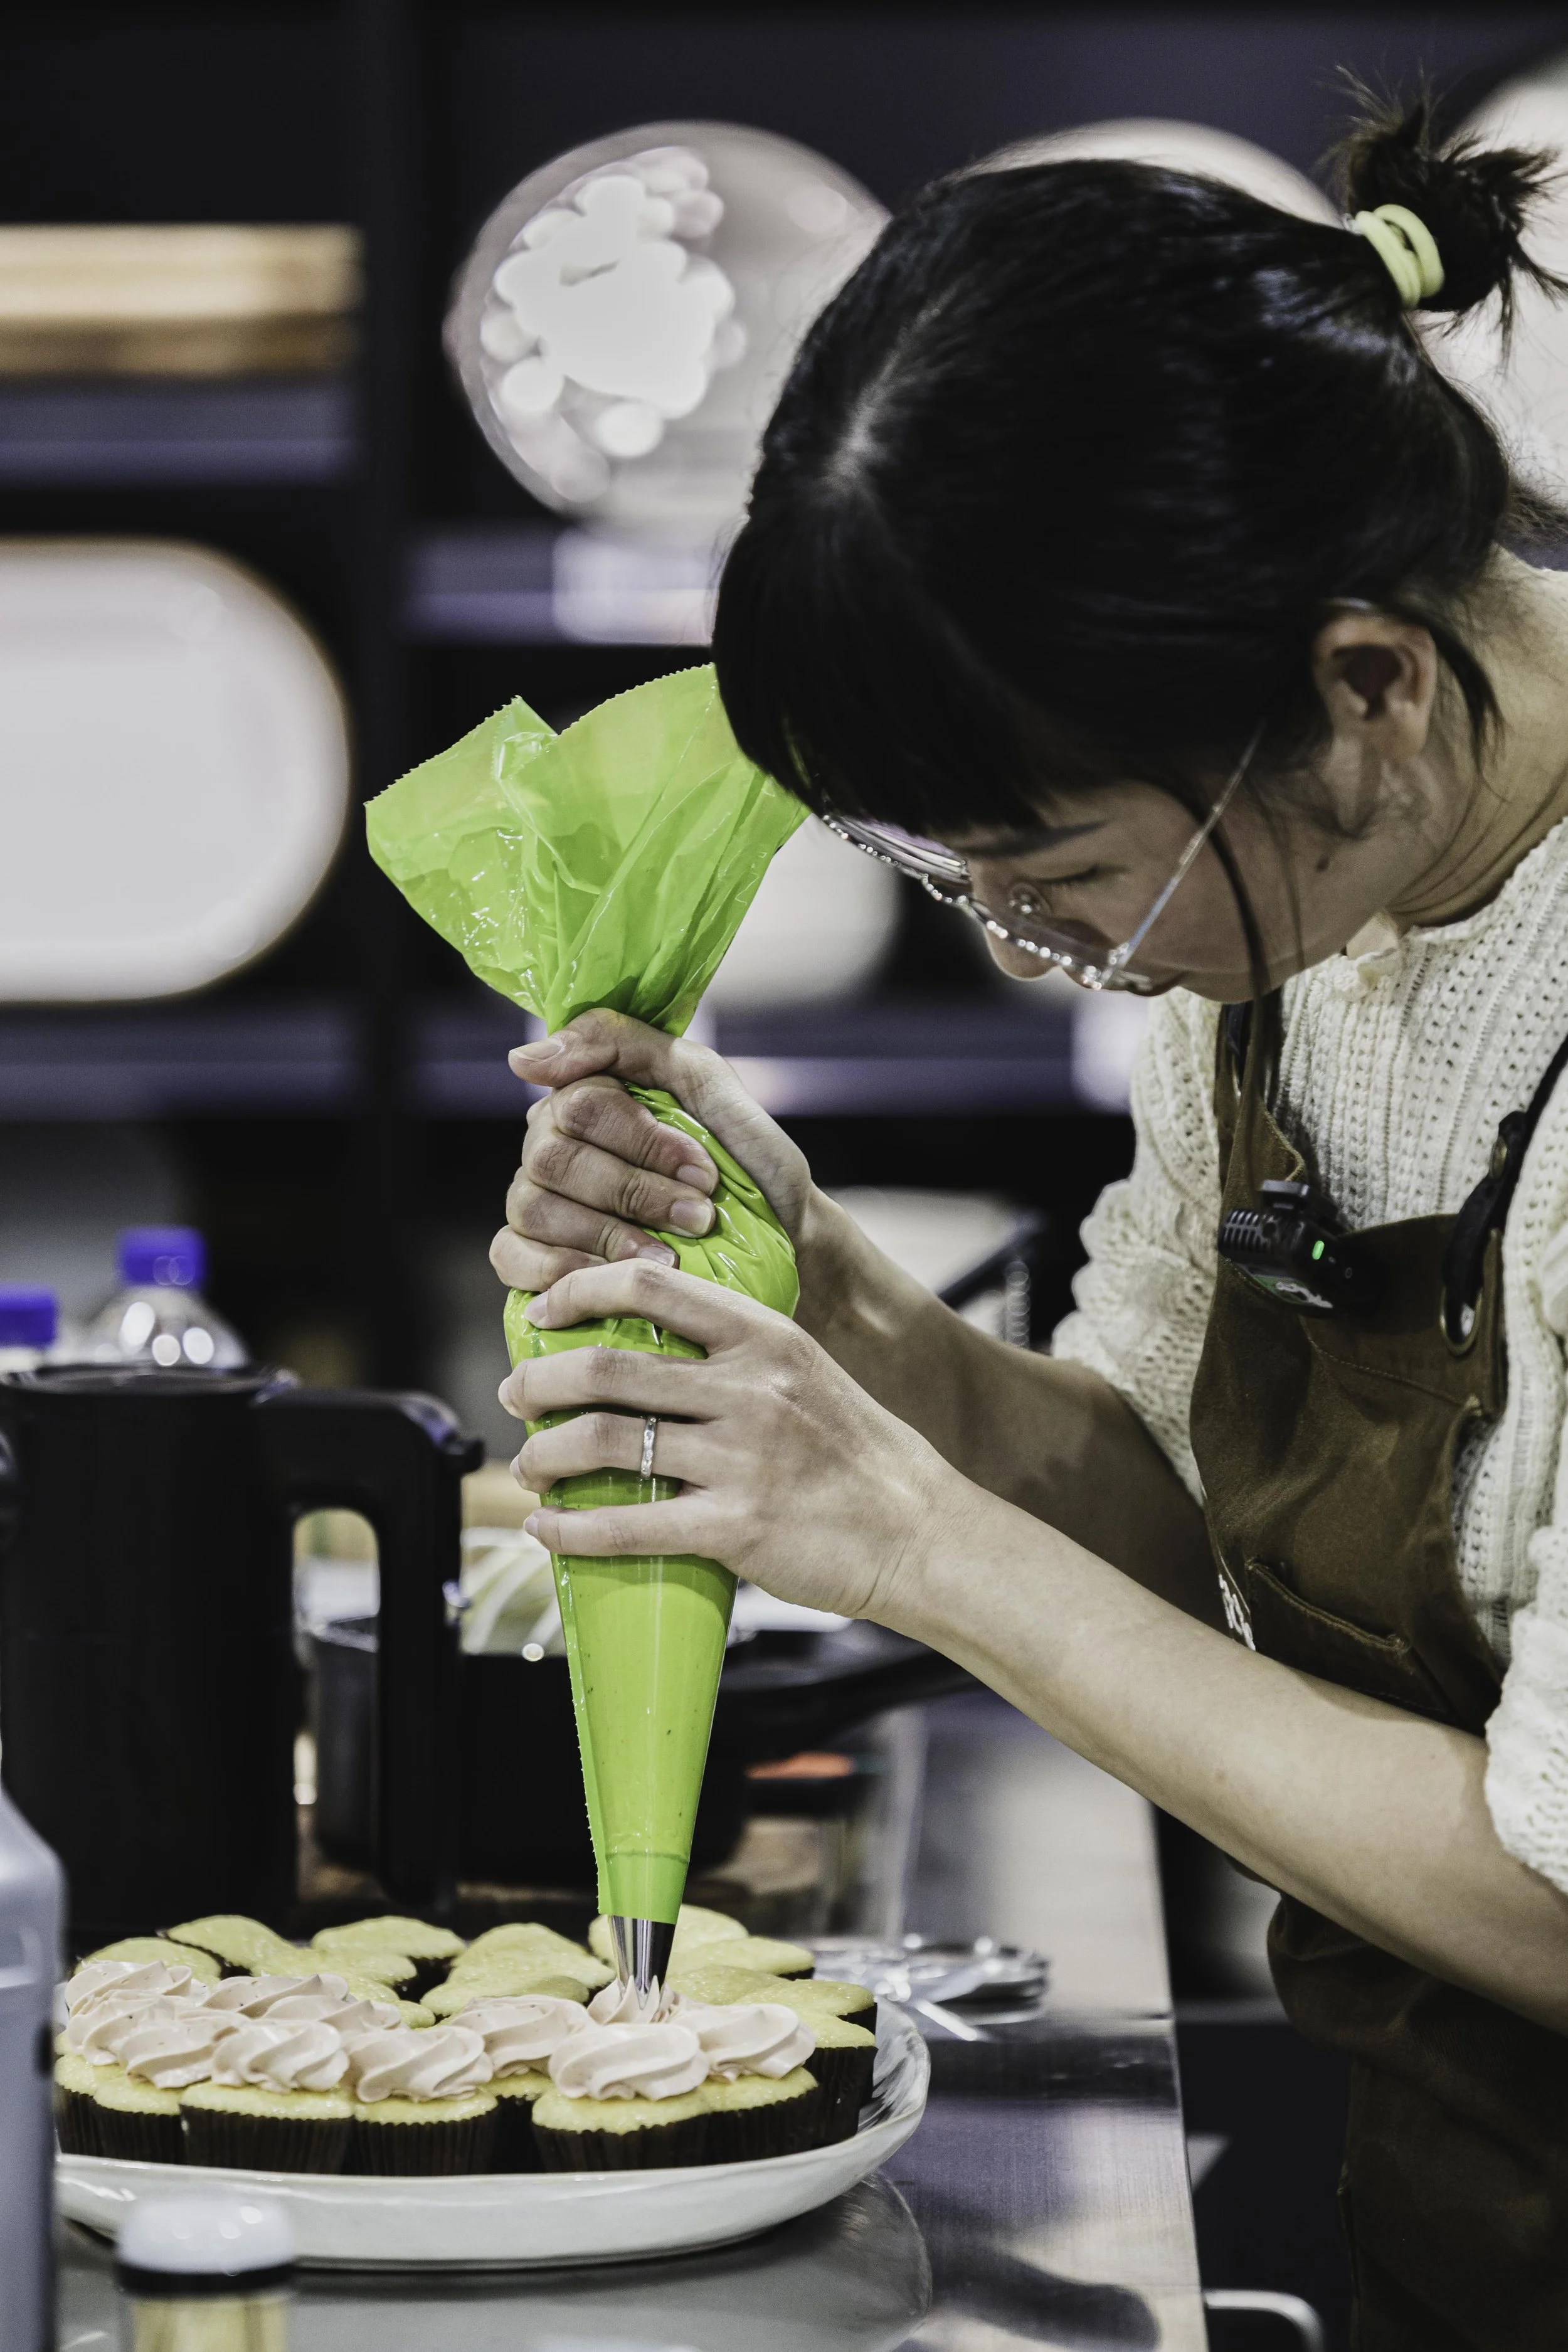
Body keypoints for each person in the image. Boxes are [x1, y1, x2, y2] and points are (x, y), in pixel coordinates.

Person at [492, 95, 1568, 2349]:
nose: (1026, 953)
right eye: (950, 881)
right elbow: (1180, 1527)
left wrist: (898, 1537)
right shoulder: (1298, 918)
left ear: (1362, 685)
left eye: (1061, 880)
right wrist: (842, 1303)